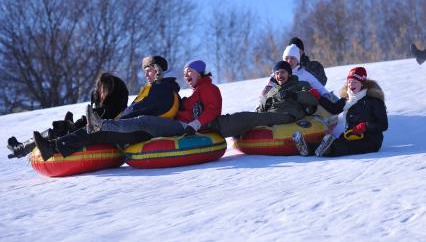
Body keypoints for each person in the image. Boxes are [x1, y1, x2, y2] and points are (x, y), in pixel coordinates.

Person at [34, 59, 221, 161]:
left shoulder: (202, 89)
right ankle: (54, 147)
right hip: (144, 129)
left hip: (168, 128)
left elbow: (212, 109)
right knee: (97, 133)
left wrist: (195, 124)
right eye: (185, 72)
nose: (186, 75)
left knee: (142, 119)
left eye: (191, 72)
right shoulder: (187, 95)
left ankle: (101, 124)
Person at [7, 72, 129, 159]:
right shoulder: (106, 105)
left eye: (101, 89)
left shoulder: (114, 104)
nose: (99, 92)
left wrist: (74, 126)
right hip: (95, 131)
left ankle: (21, 149)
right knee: (59, 128)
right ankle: (22, 148)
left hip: (101, 137)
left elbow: (101, 122)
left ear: (108, 90)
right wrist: (75, 124)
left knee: (60, 130)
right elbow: (96, 118)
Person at [293, 67, 388, 157]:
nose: (351, 85)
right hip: (351, 135)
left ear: (362, 83)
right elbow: (334, 108)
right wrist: (318, 96)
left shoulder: (374, 101)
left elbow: (383, 124)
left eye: (355, 82)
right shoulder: (348, 99)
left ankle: (327, 150)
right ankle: (307, 148)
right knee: (336, 141)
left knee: (344, 146)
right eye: (349, 82)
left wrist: (365, 126)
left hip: (371, 140)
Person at [207, 61, 318, 137]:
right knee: (251, 117)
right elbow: (261, 109)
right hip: (271, 114)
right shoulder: (272, 90)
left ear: (289, 73)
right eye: (277, 73)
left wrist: (294, 95)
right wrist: (266, 102)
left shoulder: (300, 84)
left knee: (250, 118)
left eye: (283, 72)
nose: (279, 75)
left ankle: (217, 126)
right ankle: (227, 127)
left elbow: (312, 99)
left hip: (288, 114)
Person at [261, 44, 330, 99]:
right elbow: (265, 94)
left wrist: (325, 95)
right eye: (286, 58)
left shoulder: (304, 74)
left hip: (300, 105)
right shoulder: (277, 75)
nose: (289, 61)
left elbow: (319, 88)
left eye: (293, 58)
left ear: (298, 61)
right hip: (281, 104)